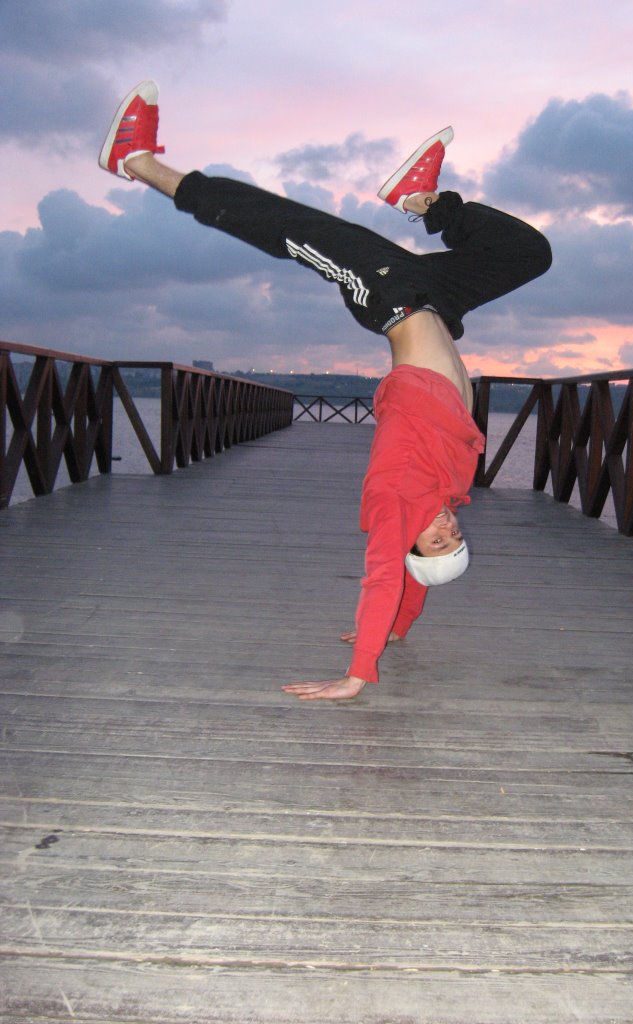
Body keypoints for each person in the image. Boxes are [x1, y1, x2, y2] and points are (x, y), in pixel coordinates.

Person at [99, 82, 552, 700]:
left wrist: (361, 670)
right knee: (529, 253)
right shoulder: (444, 496)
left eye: (439, 540)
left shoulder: (395, 500)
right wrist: (401, 626)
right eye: (456, 535)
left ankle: (138, 163)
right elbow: (414, 581)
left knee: (291, 228)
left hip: (393, 299)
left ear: (415, 543)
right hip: (441, 302)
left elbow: (387, 573)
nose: (448, 525)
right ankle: (420, 201)